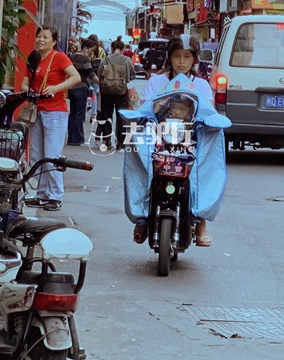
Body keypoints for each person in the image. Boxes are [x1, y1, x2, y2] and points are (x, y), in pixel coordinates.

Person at [122, 34, 229, 249]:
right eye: (177, 56)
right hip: (159, 135)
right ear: (169, 58)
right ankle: (142, 217)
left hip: (191, 137)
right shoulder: (156, 81)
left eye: (186, 56)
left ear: (194, 60)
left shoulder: (201, 85)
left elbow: (208, 110)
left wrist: (209, 123)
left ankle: (201, 223)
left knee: (214, 140)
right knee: (133, 138)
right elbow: (146, 109)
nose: (181, 61)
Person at [24, 26, 81, 212]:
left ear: (54, 41)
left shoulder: (59, 57)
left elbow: (76, 77)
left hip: (55, 111)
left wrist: (56, 88)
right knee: (36, 155)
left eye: (45, 37)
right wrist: (27, 90)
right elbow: (26, 79)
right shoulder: (33, 58)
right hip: (38, 110)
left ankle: (55, 196)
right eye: (38, 36)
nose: (40, 40)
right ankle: (41, 195)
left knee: (52, 155)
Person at [95, 38, 135, 150]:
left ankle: (107, 140)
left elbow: (99, 74)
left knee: (106, 115)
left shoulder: (105, 59)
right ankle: (120, 142)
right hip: (121, 91)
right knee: (121, 116)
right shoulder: (127, 60)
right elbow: (132, 75)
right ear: (123, 49)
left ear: (112, 48)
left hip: (106, 91)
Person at [66, 37, 93, 145]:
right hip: (81, 87)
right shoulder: (85, 59)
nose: (91, 52)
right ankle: (78, 139)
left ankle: (71, 138)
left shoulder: (72, 56)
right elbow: (90, 73)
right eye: (91, 50)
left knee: (72, 113)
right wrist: (100, 82)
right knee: (79, 114)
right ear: (85, 48)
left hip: (71, 87)